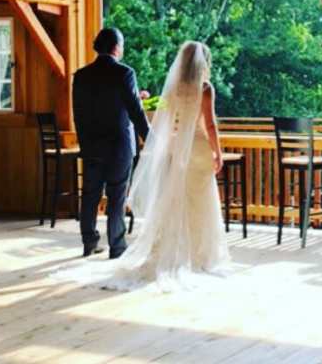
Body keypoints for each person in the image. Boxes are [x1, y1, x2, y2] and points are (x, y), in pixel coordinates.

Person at [61, 41, 229, 291]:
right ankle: (200, 255)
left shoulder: (173, 89)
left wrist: (163, 142)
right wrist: (218, 152)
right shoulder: (205, 88)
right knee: (200, 200)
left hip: (173, 147)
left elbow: (169, 121)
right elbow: (211, 124)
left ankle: (170, 250)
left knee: (174, 199)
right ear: (203, 62)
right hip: (196, 147)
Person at [73, 28, 150, 259]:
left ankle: (89, 242)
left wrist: (84, 143)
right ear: (116, 47)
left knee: (90, 195)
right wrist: (152, 140)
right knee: (117, 195)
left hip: (92, 145)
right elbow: (136, 112)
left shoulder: (82, 75)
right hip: (119, 146)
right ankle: (116, 246)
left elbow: (78, 113)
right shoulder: (125, 73)